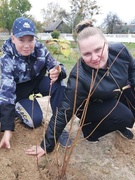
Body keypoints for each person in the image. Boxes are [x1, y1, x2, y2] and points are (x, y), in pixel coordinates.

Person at [26, 19, 135, 159]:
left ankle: (118, 123)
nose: (95, 57)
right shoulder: (79, 77)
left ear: (106, 44)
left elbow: (133, 68)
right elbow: (63, 112)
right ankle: (89, 129)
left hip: (110, 93)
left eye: (98, 49)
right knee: (125, 116)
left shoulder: (120, 51)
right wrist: (46, 145)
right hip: (90, 106)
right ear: (81, 54)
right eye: (87, 54)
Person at [0, 17, 72, 149]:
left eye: (30, 40)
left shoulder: (40, 49)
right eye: (21, 40)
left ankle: (58, 128)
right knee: (34, 120)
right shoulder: (6, 59)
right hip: (18, 91)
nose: (27, 45)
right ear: (13, 38)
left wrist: (58, 71)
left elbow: (57, 66)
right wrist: (7, 130)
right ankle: (17, 109)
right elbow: (7, 93)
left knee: (59, 84)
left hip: (36, 83)